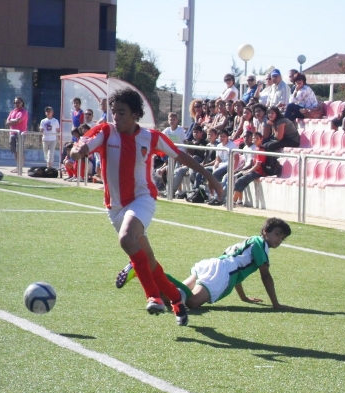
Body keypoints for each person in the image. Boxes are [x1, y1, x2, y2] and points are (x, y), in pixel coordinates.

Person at [70, 88, 223, 326]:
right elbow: (82, 146)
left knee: (126, 239)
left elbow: (179, 155)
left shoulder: (150, 137)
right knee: (148, 261)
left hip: (142, 199)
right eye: (114, 112)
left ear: (135, 115)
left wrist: (210, 176)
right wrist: (77, 152)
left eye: (121, 113)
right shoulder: (106, 132)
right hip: (115, 207)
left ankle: (153, 296)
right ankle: (176, 300)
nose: (116, 117)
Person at [117, 217, 293, 310]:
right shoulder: (260, 245)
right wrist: (276, 304)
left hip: (214, 266)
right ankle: (143, 269)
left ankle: (142, 270)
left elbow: (237, 271)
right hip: (220, 273)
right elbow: (265, 276)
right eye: (277, 234)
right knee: (193, 302)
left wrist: (243, 298)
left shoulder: (251, 242)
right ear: (265, 231)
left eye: (282, 238)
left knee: (172, 297)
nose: (279, 240)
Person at [231, 131, 264, 205]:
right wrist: (240, 170)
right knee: (238, 178)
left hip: (258, 172)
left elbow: (257, 166)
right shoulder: (255, 149)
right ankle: (239, 201)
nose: (255, 140)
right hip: (253, 170)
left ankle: (232, 201)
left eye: (257, 138)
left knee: (240, 181)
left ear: (261, 139)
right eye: (254, 138)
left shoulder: (261, 150)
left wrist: (247, 171)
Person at [6, 96, 29, 172]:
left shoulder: (23, 112)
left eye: (18, 102)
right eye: (15, 103)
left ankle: (20, 167)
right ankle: (18, 166)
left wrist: (12, 121)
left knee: (19, 151)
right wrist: (14, 120)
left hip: (20, 134)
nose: (17, 104)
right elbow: (7, 122)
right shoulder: (12, 112)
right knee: (15, 151)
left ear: (22, 103)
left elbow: (18, 120)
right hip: (12, 133)